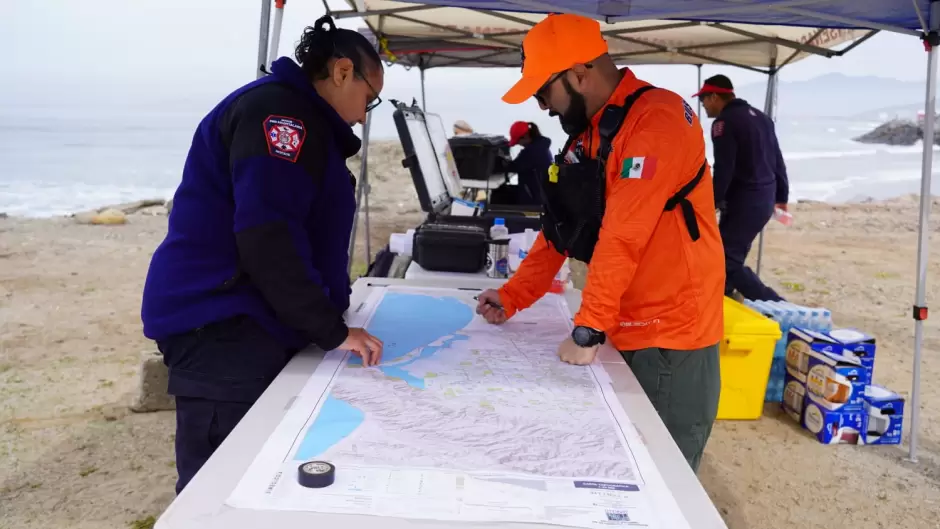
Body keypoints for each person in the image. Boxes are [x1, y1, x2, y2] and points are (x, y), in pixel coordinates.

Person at [140, 15, 385, 494]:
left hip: (253, 320)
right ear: (340, 72)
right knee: (223, 486)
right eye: (368, 98)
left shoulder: (303, 120)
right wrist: (330, 329)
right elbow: (268, 234)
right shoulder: (279, 116)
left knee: (264, 473)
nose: (362, 114)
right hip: (221, 327)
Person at [475, 13, 725, 472]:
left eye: (542, 92)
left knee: (658, 474)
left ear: (579, 74)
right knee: (614, 466)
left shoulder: (657, 121)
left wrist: (589, 328)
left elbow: (623, 235)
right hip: (622, 321)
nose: (542, 107)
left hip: (670, 333)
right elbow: (563, 229)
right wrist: (513, 297)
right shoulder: (591, 133)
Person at [694, 74, 788, 302]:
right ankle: (722, 299)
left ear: (715, 97)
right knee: (729, 254)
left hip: (745, 203)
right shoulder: (763, 119)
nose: (703, 105)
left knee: (724, 260)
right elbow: (777, 160)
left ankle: (775, 304)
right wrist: (782, 197)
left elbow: (724, 168)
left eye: (704, 100)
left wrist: (712, 202)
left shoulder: (724, 123)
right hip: (764, 200)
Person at [507, 121, 553, 204]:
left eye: (518, 142)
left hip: (534, 200)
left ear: (525, 136)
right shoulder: (540, 146)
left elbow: (514, 166)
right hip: (539, 196)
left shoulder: (533, 151)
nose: (519, 144)